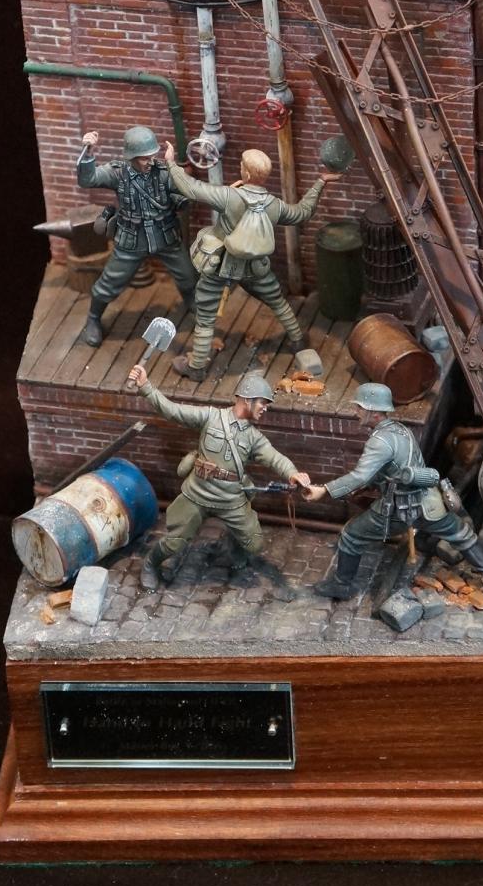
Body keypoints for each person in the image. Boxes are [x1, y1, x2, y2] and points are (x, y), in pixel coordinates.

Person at [304, 383, 483, 600]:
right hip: (429, 502)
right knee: (460, 534)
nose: (356, 412)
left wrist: (324, 491)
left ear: (374, 412)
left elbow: (359, 476)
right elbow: (394, 470)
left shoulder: (379, 441)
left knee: (351, 536)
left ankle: (342, 585)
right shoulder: (401, 429)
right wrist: (371, 485)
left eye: (360, 408)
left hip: (398, 508)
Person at [161, 142, 341, 380]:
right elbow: (302, 213)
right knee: (277, 301)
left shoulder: (228, 196)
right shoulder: (274, 205)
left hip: (220, 266)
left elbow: (191, 188)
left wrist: (171, 163)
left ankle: (196, 366)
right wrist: (320, 182)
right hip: (256, 267)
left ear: (245, 172)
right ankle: (298, 339)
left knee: (205, 315)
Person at [129, 365, 311, 588]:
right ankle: (151, 564)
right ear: (247, 400)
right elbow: (172, 411)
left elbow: (275, 458)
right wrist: (146, 387)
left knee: (254, 543)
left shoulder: (254, 438)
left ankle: (235, 548)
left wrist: (293, 473)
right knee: (174, 542)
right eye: (263, 403)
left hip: (231, 499)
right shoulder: (211, 417)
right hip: (197, 494)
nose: (265, 408)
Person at [76, 126, 198, 346]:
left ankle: (193, 305)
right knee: (109, 283)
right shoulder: (118, 173)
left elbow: (187, 189)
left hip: (165, 235)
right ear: (131, 157)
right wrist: (88, 152)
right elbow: (88, 180)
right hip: (132, 239)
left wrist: (173, 168)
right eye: (144, 158)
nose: (150, 161)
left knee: (188, 276)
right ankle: (93, 318)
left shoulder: (163, 171)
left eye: (152, 155)